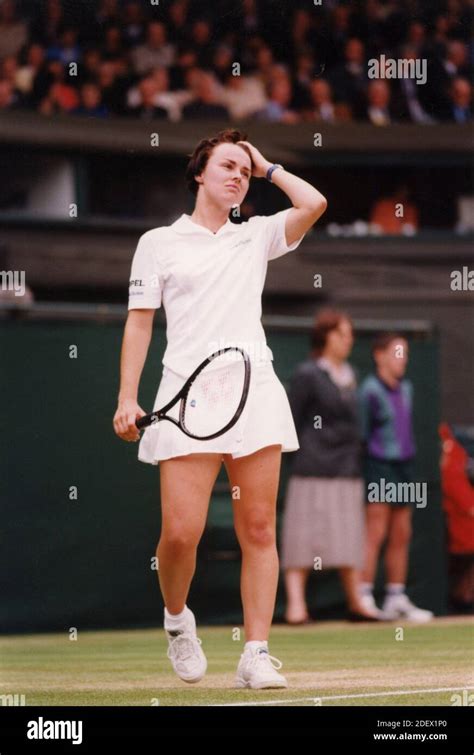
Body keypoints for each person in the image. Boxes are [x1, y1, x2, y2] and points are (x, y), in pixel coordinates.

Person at [113, 128, 327, 689]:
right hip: (186, 396)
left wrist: (268, 167)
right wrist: (127, 396)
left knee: (258, 527)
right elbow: (140, 321)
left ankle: (255, 652)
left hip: (254, 393)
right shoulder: (157, 243)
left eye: (243, 169)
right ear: (199, 174)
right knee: (181, 533)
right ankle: (178, 620)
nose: (237, 175)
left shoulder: (256, 235)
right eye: (227, 166)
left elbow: (315, 203)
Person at [281, 309, 381, 624]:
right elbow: (291, 421)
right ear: (325, 337)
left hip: (346, 468)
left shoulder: (351, 375)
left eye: (350, 334)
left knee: (349, 534)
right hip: (311, 466)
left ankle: (356, 602)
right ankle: (296, 607)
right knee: (302, 535)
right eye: (342, 334)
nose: (348, 340)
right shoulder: (307, 374)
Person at [358, 333, 433, 622]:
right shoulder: (369, 391)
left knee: (402, 532)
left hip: (406, 467)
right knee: (376, 531)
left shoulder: (407, 389)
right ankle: (364, 594)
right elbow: (362, 435)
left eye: (405, 354)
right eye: (397, 353)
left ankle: (395, 597)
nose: (403, 360)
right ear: (379, 355)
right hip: (379, 465)